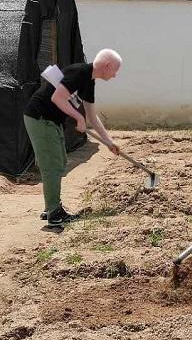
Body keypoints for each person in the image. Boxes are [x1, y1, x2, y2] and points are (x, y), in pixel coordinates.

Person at [23, 49, 122, 227]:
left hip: (51, 121)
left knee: (59, 161)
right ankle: (54, 214)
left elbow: (92, 116)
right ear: (107, 66)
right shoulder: (79, 72)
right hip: (40, 118)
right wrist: (78, 117)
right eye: (115, 70)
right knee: (52, 165)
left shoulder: (89, 81)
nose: (115, 75)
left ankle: (51, 207)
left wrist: (108, 142)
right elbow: (57, 98)